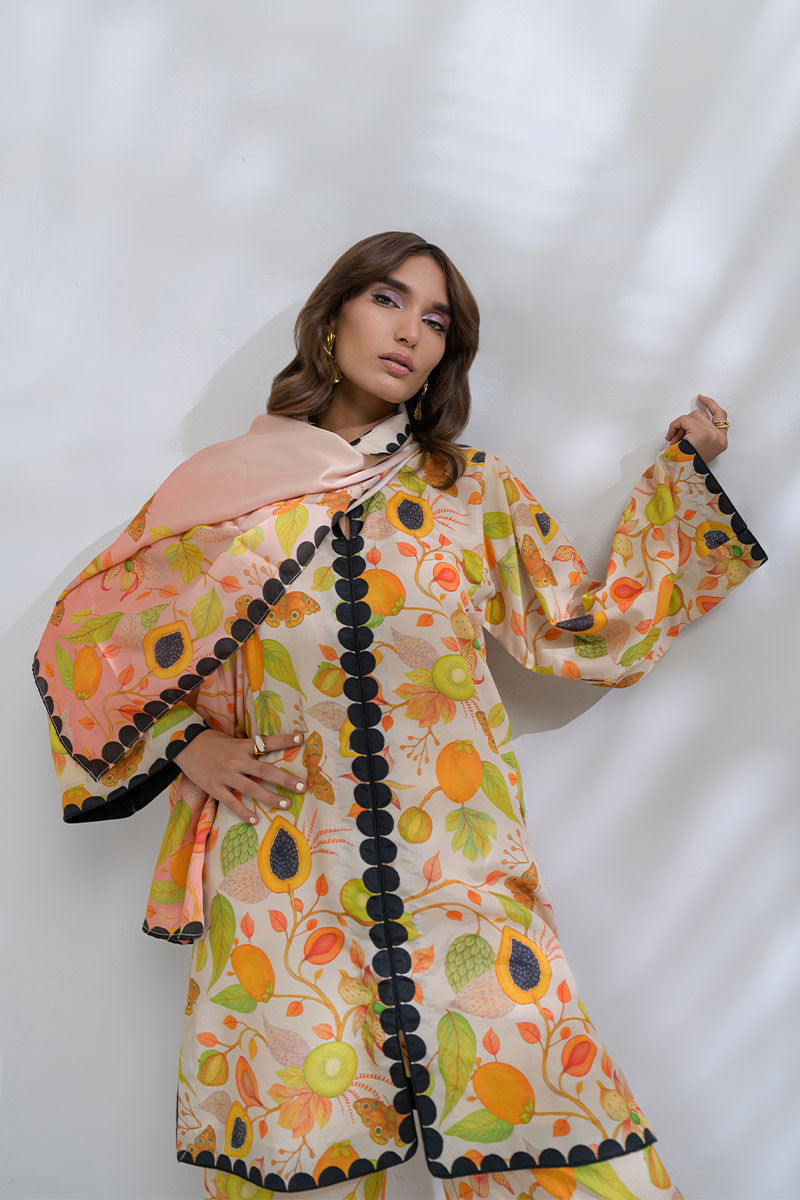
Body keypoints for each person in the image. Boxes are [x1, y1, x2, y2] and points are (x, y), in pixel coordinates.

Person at [34, 231, 766, 1200]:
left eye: (437, 321)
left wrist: (679, 479)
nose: (411, 332)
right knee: (298, 1149)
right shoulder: (221, 494)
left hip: (457, 862)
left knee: (545, 1113)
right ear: (330, 318)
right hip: (280, 871)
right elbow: (86, 639)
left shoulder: (470, 491)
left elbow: (582, 634)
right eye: (388, 299)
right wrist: (185, 743)